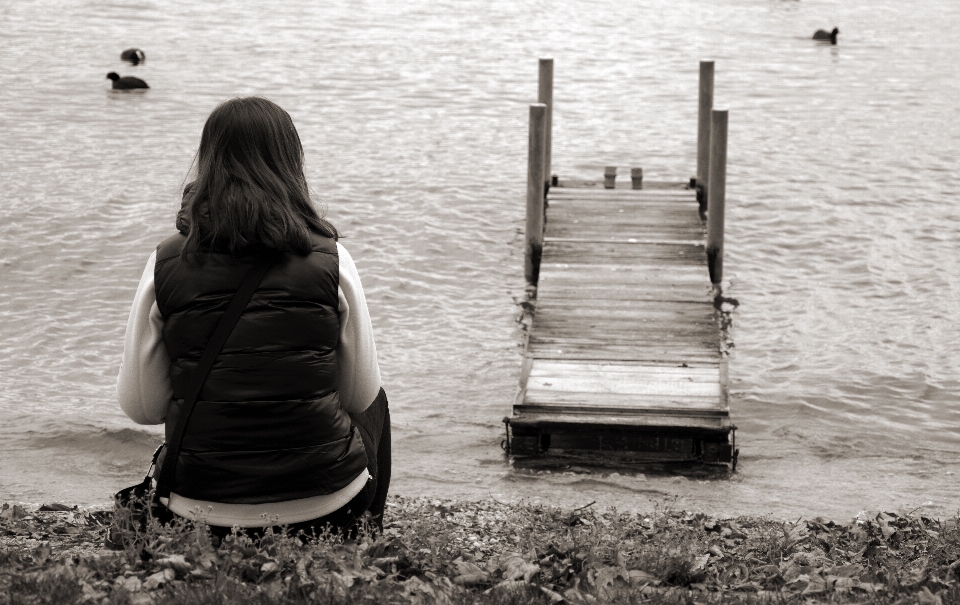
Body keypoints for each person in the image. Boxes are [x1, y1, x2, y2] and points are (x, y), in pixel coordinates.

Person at [116, 96, 390, 539]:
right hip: (326, 504)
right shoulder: (332, 259)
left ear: (207, 162)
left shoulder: (164, 262)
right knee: (377, 399)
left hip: (198, 506)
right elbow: (359, 396)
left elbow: (141, 407)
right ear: (290, 163)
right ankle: (365, 532)